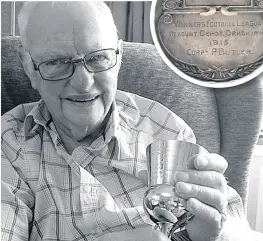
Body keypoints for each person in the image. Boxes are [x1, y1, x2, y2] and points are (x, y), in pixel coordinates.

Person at [1, 2, 253, 241]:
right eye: (56, 62)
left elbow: (240, 229)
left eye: (98, 57)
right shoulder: (9, 145)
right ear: (29, 70)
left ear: (119, 58)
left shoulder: (165, 127)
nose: (83, 83)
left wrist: (214, 233)